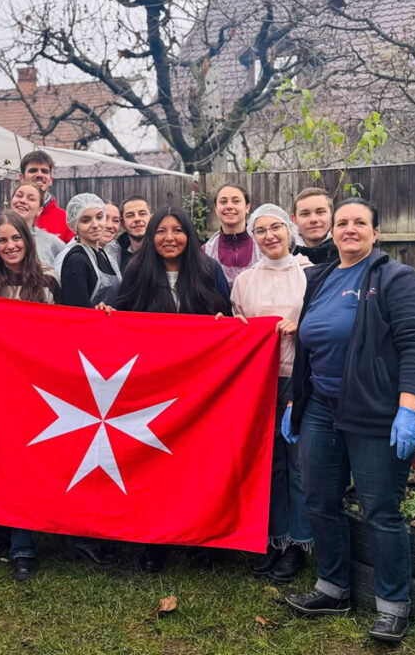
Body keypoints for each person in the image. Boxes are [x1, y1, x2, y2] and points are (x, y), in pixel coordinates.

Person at [284, 198, 415, 643]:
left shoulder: (395, 278)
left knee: (380, 509)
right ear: (332, 231)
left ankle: (393, 604)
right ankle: (333, 588)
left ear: (375, 232)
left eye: (360, 223)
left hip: (374, 410)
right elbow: (307, 346)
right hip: (320, 407)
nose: (350, 229)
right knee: (319, 499)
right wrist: (295, 401)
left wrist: (409, 407)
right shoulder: (320, 278)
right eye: (342, 222)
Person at [113, 206, 231, 572]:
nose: (169, 238)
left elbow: (228, 321)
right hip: (152, 387)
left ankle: (197, 537)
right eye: (161, 231)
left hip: (200, 388)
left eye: (177, 230)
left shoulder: (210, 270)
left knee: (195, 463)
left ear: (189, 235)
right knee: (155, 465)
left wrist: (225, 323)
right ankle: (154, 541)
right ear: (150, 237)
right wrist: (105, 315)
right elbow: (122, 320)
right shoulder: (137, 271)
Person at [0, 210, 62, 580]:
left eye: (16, 238)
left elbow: (65, 332)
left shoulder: (48, 281)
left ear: (28, 239)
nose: (10, 246)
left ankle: (25, 540)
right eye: (2, 240)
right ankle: (5, 530)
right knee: (1, 457)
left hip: (39, 387)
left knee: (30, 460)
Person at [229, 204, 313, 584]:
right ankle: (271, 536)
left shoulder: (311, 275)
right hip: (259, 383)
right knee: (269, 462)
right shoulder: (245, 282)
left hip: (299, 380)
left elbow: (322, 324)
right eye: (260, 231)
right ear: (253, 237)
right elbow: (236, 327)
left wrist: (301, 327)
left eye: (275, 227)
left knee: (298, 463)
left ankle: (298, 540)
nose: (269, 236)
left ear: (288, 229)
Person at [55, 193, 121, 308]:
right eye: (86, 221)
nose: (95, 225)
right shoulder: (77, 260)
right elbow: (76, 311)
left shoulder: (105, 255)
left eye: (99, 217)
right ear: (74, 226)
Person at [203, 184, 261, 288]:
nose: (229, 206)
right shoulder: (205, 252)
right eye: (223, 202)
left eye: (236, 201)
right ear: (216, 209)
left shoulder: (262, 247)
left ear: (247, 207)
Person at [18, 150, 74, 242]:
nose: (40, 175)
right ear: (21, 178)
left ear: (50, 180)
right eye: (33, 170)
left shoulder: (65, 220)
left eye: (44, 171)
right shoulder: (11, 218)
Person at [9, 182, 67, 267]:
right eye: (19, 196)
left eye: (31, 199)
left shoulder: (52, 243)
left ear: (39, 210)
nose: (23, 201)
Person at [291, 187, 338, 265]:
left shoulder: (346, 251)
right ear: (294, 219)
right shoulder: (285, 254)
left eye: (320, 212)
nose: (313, 219)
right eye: (305, 214)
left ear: (332, 215)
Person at [116, 195, 151, 273]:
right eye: (130, 215)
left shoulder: (163, 253)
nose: (137, 219)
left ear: (151, 218)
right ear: (123, 224)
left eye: (142, 214)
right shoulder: (116, 258)